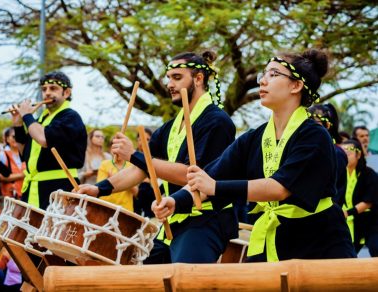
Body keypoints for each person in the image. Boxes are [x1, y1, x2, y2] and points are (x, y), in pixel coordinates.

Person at [154, 49, 356, 262]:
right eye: (264, 74)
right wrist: (176, 201)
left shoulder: (315, 136)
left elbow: (279, 188)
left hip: (319, 243)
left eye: (274, 74)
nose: (263, 81)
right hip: (274, 239)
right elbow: (212, 174)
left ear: (296, 86)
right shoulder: (253, 138)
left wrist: (215, 187)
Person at [78, 50, 237, 263]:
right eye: (169, 78)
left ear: (198, 79)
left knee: (183, 281)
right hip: (174, 220)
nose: (170, 84)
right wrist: (99, 189)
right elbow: (139, 169)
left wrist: (134, 155)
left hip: (205, 220)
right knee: (142, 277)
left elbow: (193, 177)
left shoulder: (217, 122)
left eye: (177, 77)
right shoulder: (170, 127)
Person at [10, 71, 87, 209]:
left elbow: (44, 139)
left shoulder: (70, 117)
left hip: (59, 187)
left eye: (53, 88)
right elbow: (24, 153)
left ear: (67, 93)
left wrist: (27, 116)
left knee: (55, 230)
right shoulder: (41, 120)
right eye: (44, 89)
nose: (47, 93)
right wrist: (18, 124)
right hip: (34, 187)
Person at [339, 139, 378, 256]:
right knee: (344, 255)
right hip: (348, 222)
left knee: (375, 249)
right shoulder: (339, 174)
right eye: (342, 154)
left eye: (348, 153)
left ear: (359, 154)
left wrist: (347, 212)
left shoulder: (369, 174)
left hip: (370, 222)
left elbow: (368, 202)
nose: (345, 156)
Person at [308, 103, 347, 204]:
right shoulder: (310, 150)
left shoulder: (336, 153)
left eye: (314, 122)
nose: (308, 127)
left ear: (327, 125)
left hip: (327, 215)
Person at [133, 128, 156, 217]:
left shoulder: (158, 159)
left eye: (147, 139)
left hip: (152, 202)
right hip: (135, 203)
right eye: (140, 139)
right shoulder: (131, 159)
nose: (143, 142)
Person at [0, 127, 26, 198]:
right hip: (10, 197)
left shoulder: (25, 153)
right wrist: (22, 175)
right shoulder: (2, 154)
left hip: (26, 195)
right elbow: (0, 176)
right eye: (14, 137)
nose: (16, 139)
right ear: (7, 139)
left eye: (18, 136)